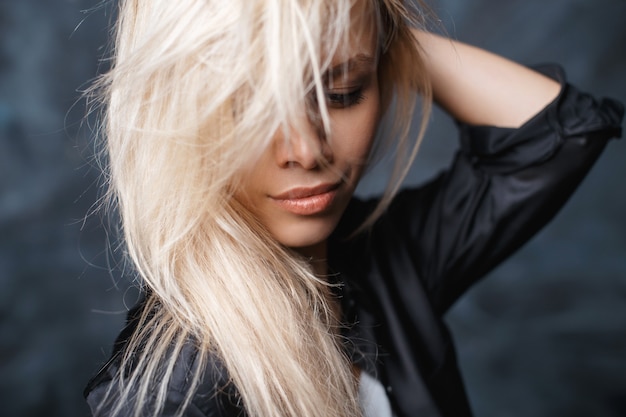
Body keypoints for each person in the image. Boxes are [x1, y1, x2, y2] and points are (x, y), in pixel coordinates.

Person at [83, 0, 623, 416]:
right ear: (175, 113)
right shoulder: (174, 387)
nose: (307, 150)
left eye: (341, 91)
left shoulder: (386, 268)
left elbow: (561, 134)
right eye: (250, 108)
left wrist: (365, 18)